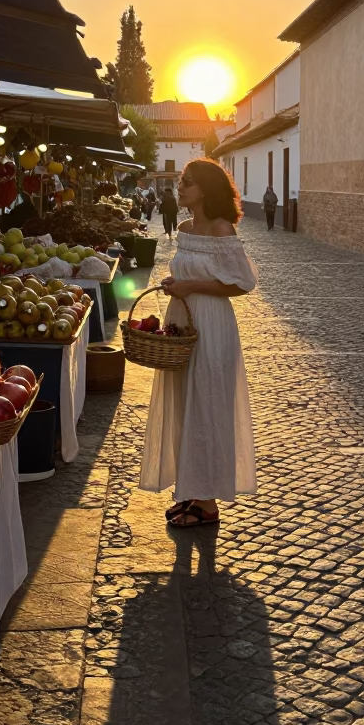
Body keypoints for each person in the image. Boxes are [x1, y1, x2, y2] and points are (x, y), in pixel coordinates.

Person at [139, 157, 258, 528]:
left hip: (211, 325)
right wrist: (175, 284)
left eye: (187, 182)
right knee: (184, 405)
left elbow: (242, 284)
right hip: (182, 321)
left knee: (207, 405)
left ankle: (207, 504)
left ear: (205, 189)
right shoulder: (187, 228)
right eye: (181, 181)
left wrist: (191, 286)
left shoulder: (223, 230)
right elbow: (186, 270)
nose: (181, 187)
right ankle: (191, 488)